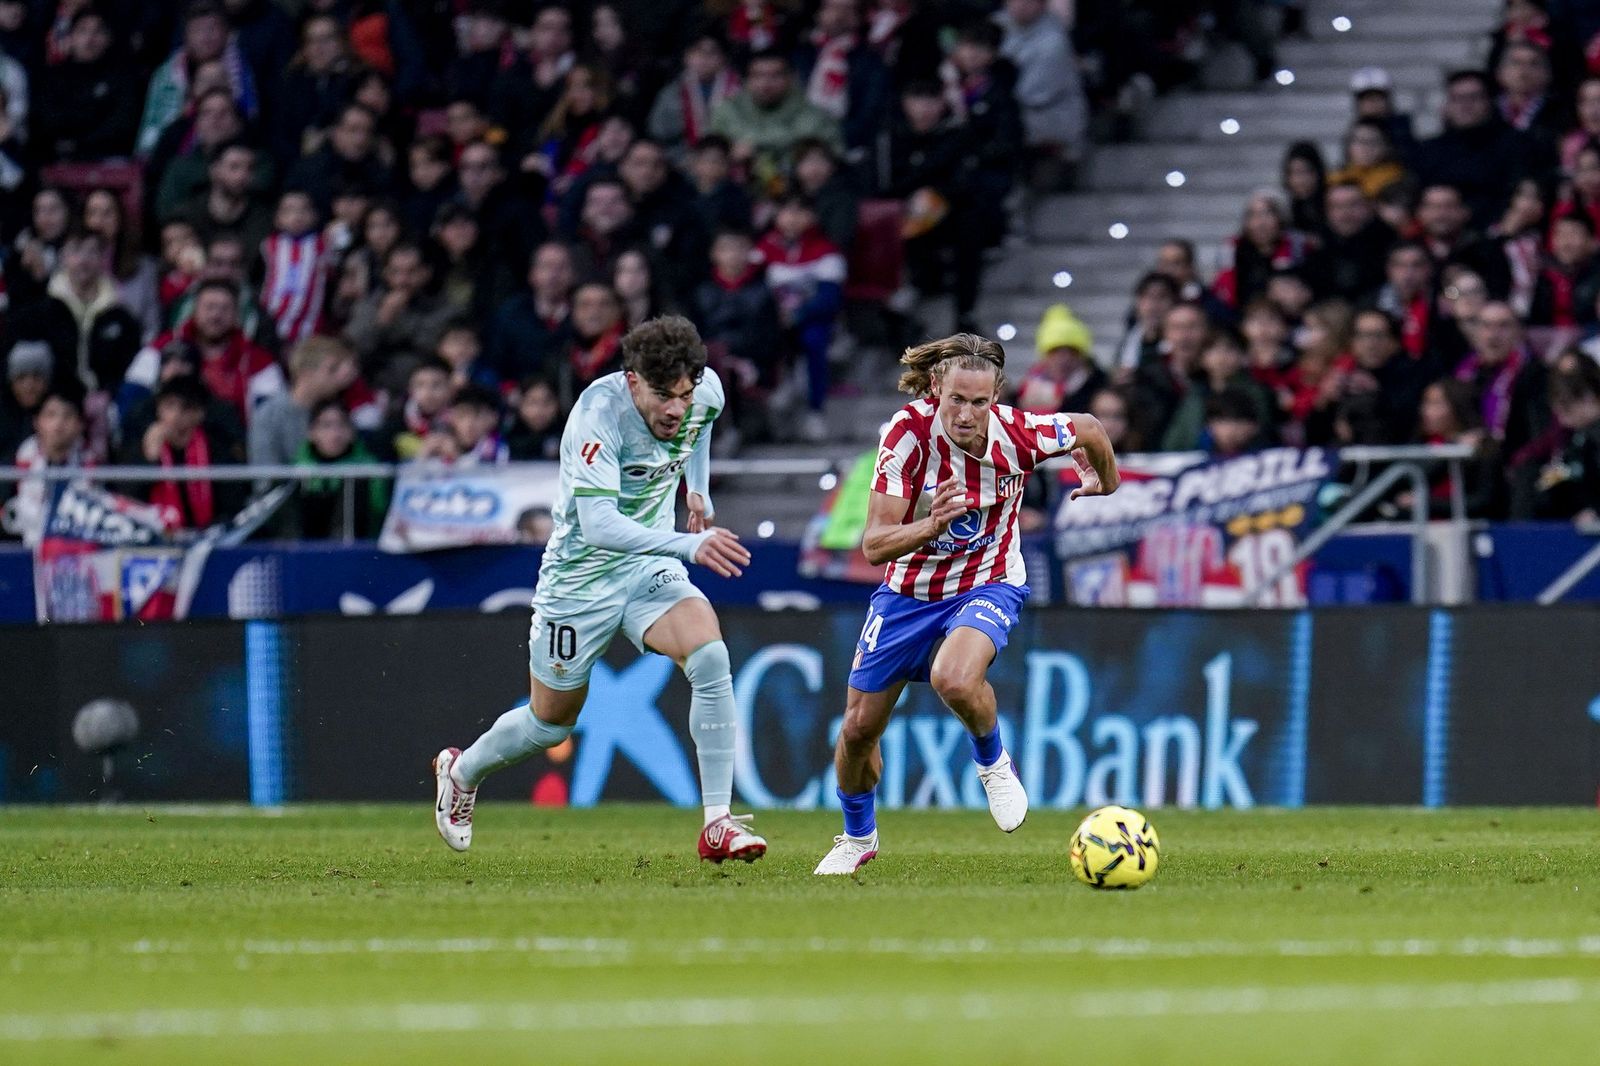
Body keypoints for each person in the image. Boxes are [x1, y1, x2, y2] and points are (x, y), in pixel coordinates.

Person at [432, 315, 766, 864]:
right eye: (663, 396)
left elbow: (700, 425)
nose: (676, 409)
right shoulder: (597, 415)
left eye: (684, 394)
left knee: (709, 656)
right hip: (580, 579)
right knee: (549, 723)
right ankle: (462, 771)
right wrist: (688, 545)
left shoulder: (703, 392)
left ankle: (718, 823)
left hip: (647, 566)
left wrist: (697, 489)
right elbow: (599, 526)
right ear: (633, 380)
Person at [814, 333, 1119, 875]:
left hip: (988, 582)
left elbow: (1091, 429)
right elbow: (874, 545)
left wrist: (1105, 481)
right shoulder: (907, 435)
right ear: (937, 387)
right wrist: (931, 524)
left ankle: (994, 763)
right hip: (908, 594)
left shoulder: (1018, 434)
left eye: (979, 402)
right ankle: (857, 838)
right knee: (858, 731)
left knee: (953, 678)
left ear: (995, 397)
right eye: (956, 399)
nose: (965, 414)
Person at [247, 336, 358, 468]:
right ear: (306, 373)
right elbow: (265, 471)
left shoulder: (340, 409)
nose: (341, 376)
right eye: (332, 369)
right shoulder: (269, 415)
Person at [286, 398, 388, 540]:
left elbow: (378, 512)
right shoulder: (294, 470)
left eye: (342, 425)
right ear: (311, 432)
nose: (335, 434)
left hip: (356, 546)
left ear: (352, 432)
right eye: (326, 425)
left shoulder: (370, 469)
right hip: (305, 547)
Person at [259, 189, 331, 346]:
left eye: (304, 210)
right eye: (289, 210)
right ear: (277, 218)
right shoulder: (269, 245)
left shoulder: (322, 244)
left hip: (309, 323)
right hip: (272, 321)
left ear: (315, 216)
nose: (297, 216)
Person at [1015, 304, 1102, 415]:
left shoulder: (1098, 387)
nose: (1064, 359)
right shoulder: (1029, 387)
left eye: (1072, 351)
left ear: (1082, 356)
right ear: (1045, 356)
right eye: (1056, 352)